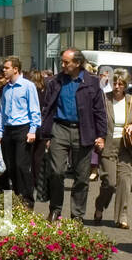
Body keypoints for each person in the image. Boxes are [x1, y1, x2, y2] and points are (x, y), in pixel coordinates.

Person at [39, 49, 107, 221]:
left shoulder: (92, 82)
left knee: (82, 176)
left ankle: (77, 214)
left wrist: (101, 135)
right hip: (59, 128)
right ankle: (55, 209)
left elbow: (99, 111)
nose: (62, 65)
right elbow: (47, 107)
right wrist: (46, 134)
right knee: (56, 172)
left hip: (83, 130)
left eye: (66, 62)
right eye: (62, 62)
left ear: (77, 63)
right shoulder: (56, 81)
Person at [0, 56, 41, 206]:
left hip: (23, 129)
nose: (4, 71)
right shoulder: (5, 89)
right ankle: (16, 196)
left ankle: (27, 199)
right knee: (10, 166)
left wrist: (33, 130)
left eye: (7, 68)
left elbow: (34, 110)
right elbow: (2, 113)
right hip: (8, 130)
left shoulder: (28, 86)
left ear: (15, 69)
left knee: (22, 165)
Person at [95, 76, 132, 228]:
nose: (117, 86)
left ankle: (122, 216)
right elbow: (97, 118)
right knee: (110, 182)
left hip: (126, 146)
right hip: (108, 145)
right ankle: (100, 205)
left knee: (125, 183)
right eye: (114, 83)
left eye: (120, 84)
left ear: (125, 85)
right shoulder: (103, 99)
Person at [30, 69, 51, 203]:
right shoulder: (45, 93)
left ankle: (31, 183)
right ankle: (40, 187)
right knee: (39, 158)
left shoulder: (31, 92)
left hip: (32, 127)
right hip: (42, 128)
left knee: (30, 158)